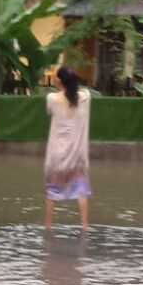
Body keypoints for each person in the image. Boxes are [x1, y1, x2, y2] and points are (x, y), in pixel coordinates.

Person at [44, 67, 92, 232]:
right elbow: (83, 91)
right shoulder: (85, 98)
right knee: (81, 191)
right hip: (77, 156)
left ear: (59, 81)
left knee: (52, 192)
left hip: (57, 156)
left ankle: (48, 228)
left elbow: (49, 111)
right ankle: (85, 226)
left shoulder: (52, 98)